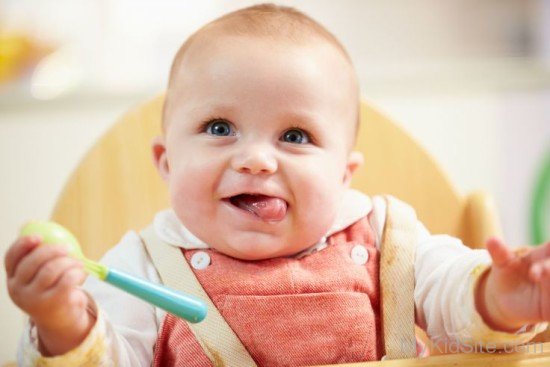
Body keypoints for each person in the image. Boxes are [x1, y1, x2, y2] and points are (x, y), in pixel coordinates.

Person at [5, 4, 550, 366]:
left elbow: (453, 293)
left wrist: (501, 296)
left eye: (295, 135)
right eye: (219, 128)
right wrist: (64, 323)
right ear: (166, 162)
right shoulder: (140, 265)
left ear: (343, 176)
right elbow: (112, 358)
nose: (257, 160)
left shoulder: (389, 238)